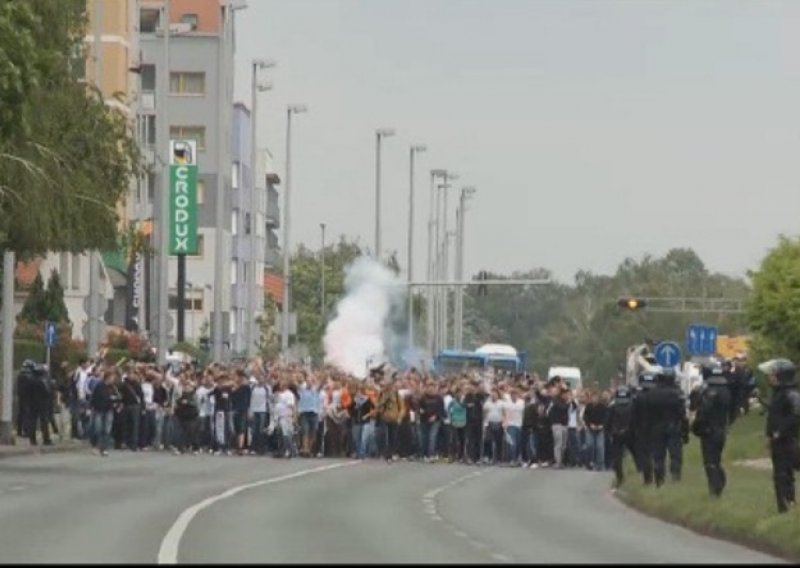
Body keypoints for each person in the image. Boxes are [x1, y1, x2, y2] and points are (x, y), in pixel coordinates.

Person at [759, 358, 800, 513]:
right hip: (778, 443)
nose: (770, 377)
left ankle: (787, 507)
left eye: (773, 374)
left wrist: (779, 432)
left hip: (787, 442)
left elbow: (795, 416)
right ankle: (784, 508)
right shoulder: (778, 394)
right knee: (780, 476)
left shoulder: (791, 394)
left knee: (784, 476)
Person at [690, 363, 732, 498]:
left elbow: (703, 411)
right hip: (721, 429)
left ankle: (715, 489)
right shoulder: (726, 390)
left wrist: (695, 426)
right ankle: (719, 481)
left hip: (709, 430)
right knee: (716, 459)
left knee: (710, 461)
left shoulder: (710, 392)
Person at [647, 369, 686, 486]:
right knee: (675, 454)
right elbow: (682, 413)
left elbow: (648, 413)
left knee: (658, 455)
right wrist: (685, 431)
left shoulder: (653, 393)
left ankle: (659, 479)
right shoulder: (677, 393)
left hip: (656, 427)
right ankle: (675, 476)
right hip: (673, 426)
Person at [606, 386, 634, 488]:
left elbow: (607, 422)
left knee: (617, 459)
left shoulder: (613, 406)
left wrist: (609, 432)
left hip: (618, 435)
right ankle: (621, 478)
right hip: (625, 435)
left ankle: (621, 478)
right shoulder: (632, 406)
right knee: (618, 459)